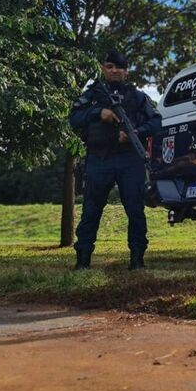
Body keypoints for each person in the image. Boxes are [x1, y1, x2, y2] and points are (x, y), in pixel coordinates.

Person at [69, 51, 162, 270]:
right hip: (99, 159)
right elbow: (73, 118)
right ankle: (83, 260)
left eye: (119, 67)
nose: (114, 71)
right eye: (110, 66)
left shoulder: (137, 96)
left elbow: (157, 121)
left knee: (135, 210)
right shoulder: (91, 94)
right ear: (103, 68)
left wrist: (136, 132)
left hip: (130, 159)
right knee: (91, 210)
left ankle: (137, 259)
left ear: (126, 71)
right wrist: (98, 113)